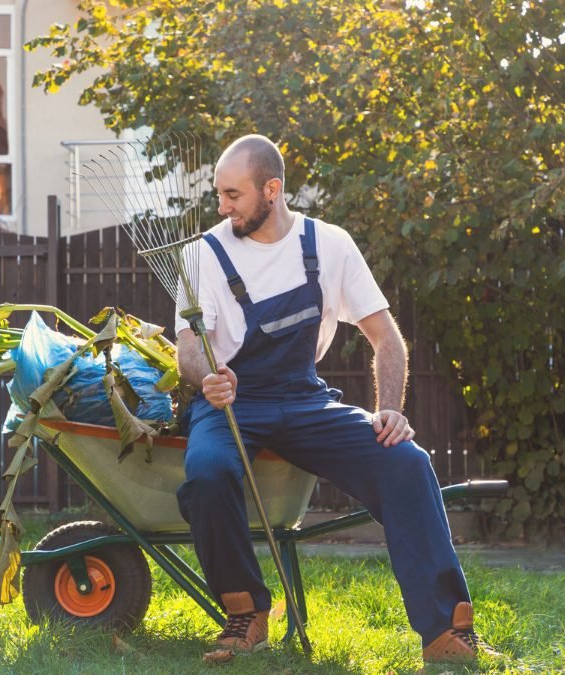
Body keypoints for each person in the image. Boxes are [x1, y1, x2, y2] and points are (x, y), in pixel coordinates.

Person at [173, 134, 495, 664]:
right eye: (219, 195)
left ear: (271, 190)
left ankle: (445, 632)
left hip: (304, 399)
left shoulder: (329, 245)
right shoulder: (202, 254)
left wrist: (390, 406)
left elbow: (386, 337)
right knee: (206, 472)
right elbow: (188, 348)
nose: (222, 207)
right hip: (231, 401)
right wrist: (208, 377)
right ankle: (245, 613)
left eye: (232, 195)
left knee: (407, 462)